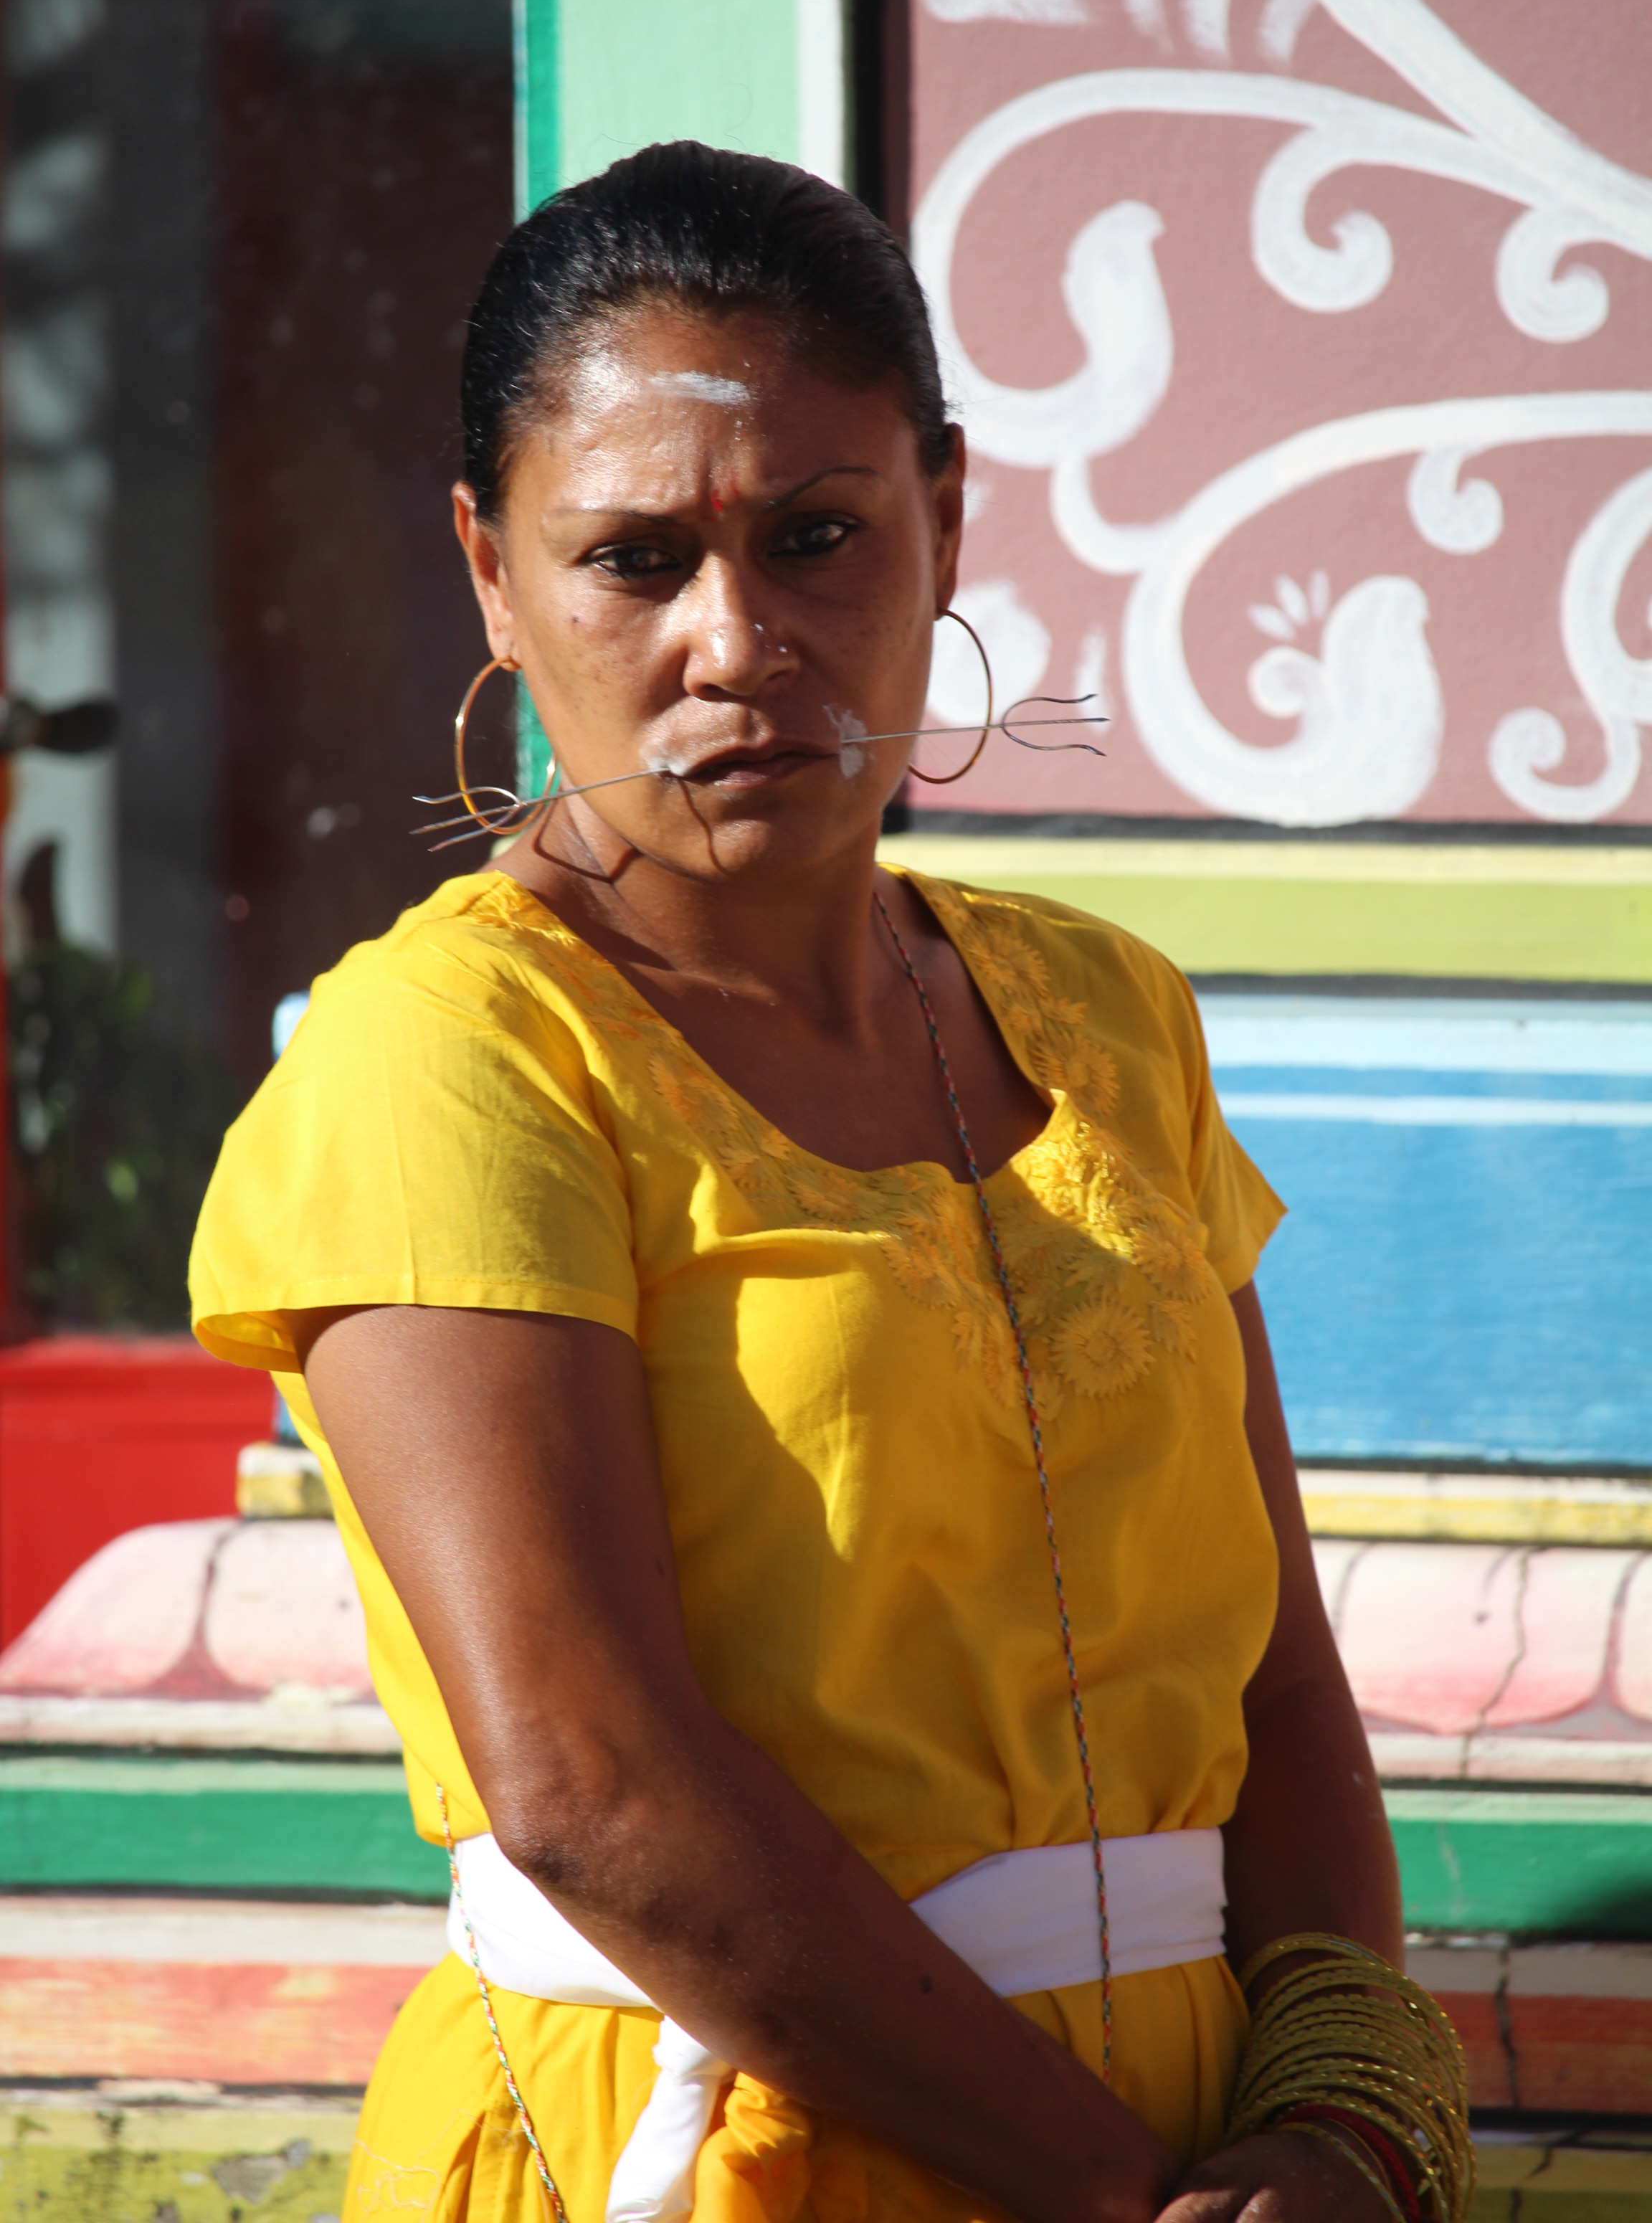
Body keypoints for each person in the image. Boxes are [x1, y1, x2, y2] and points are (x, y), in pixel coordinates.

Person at [189, 143, 1468, 2223]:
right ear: (493, 577)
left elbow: (1275, 1679)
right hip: (709, 2142)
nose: (736, 640)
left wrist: (1333, 2117)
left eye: (815, 537)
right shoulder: (455, 1060)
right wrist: (1124, 2190)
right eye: (629, 560)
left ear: (945, 521)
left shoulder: (1103, 1012)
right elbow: (593, 1796)